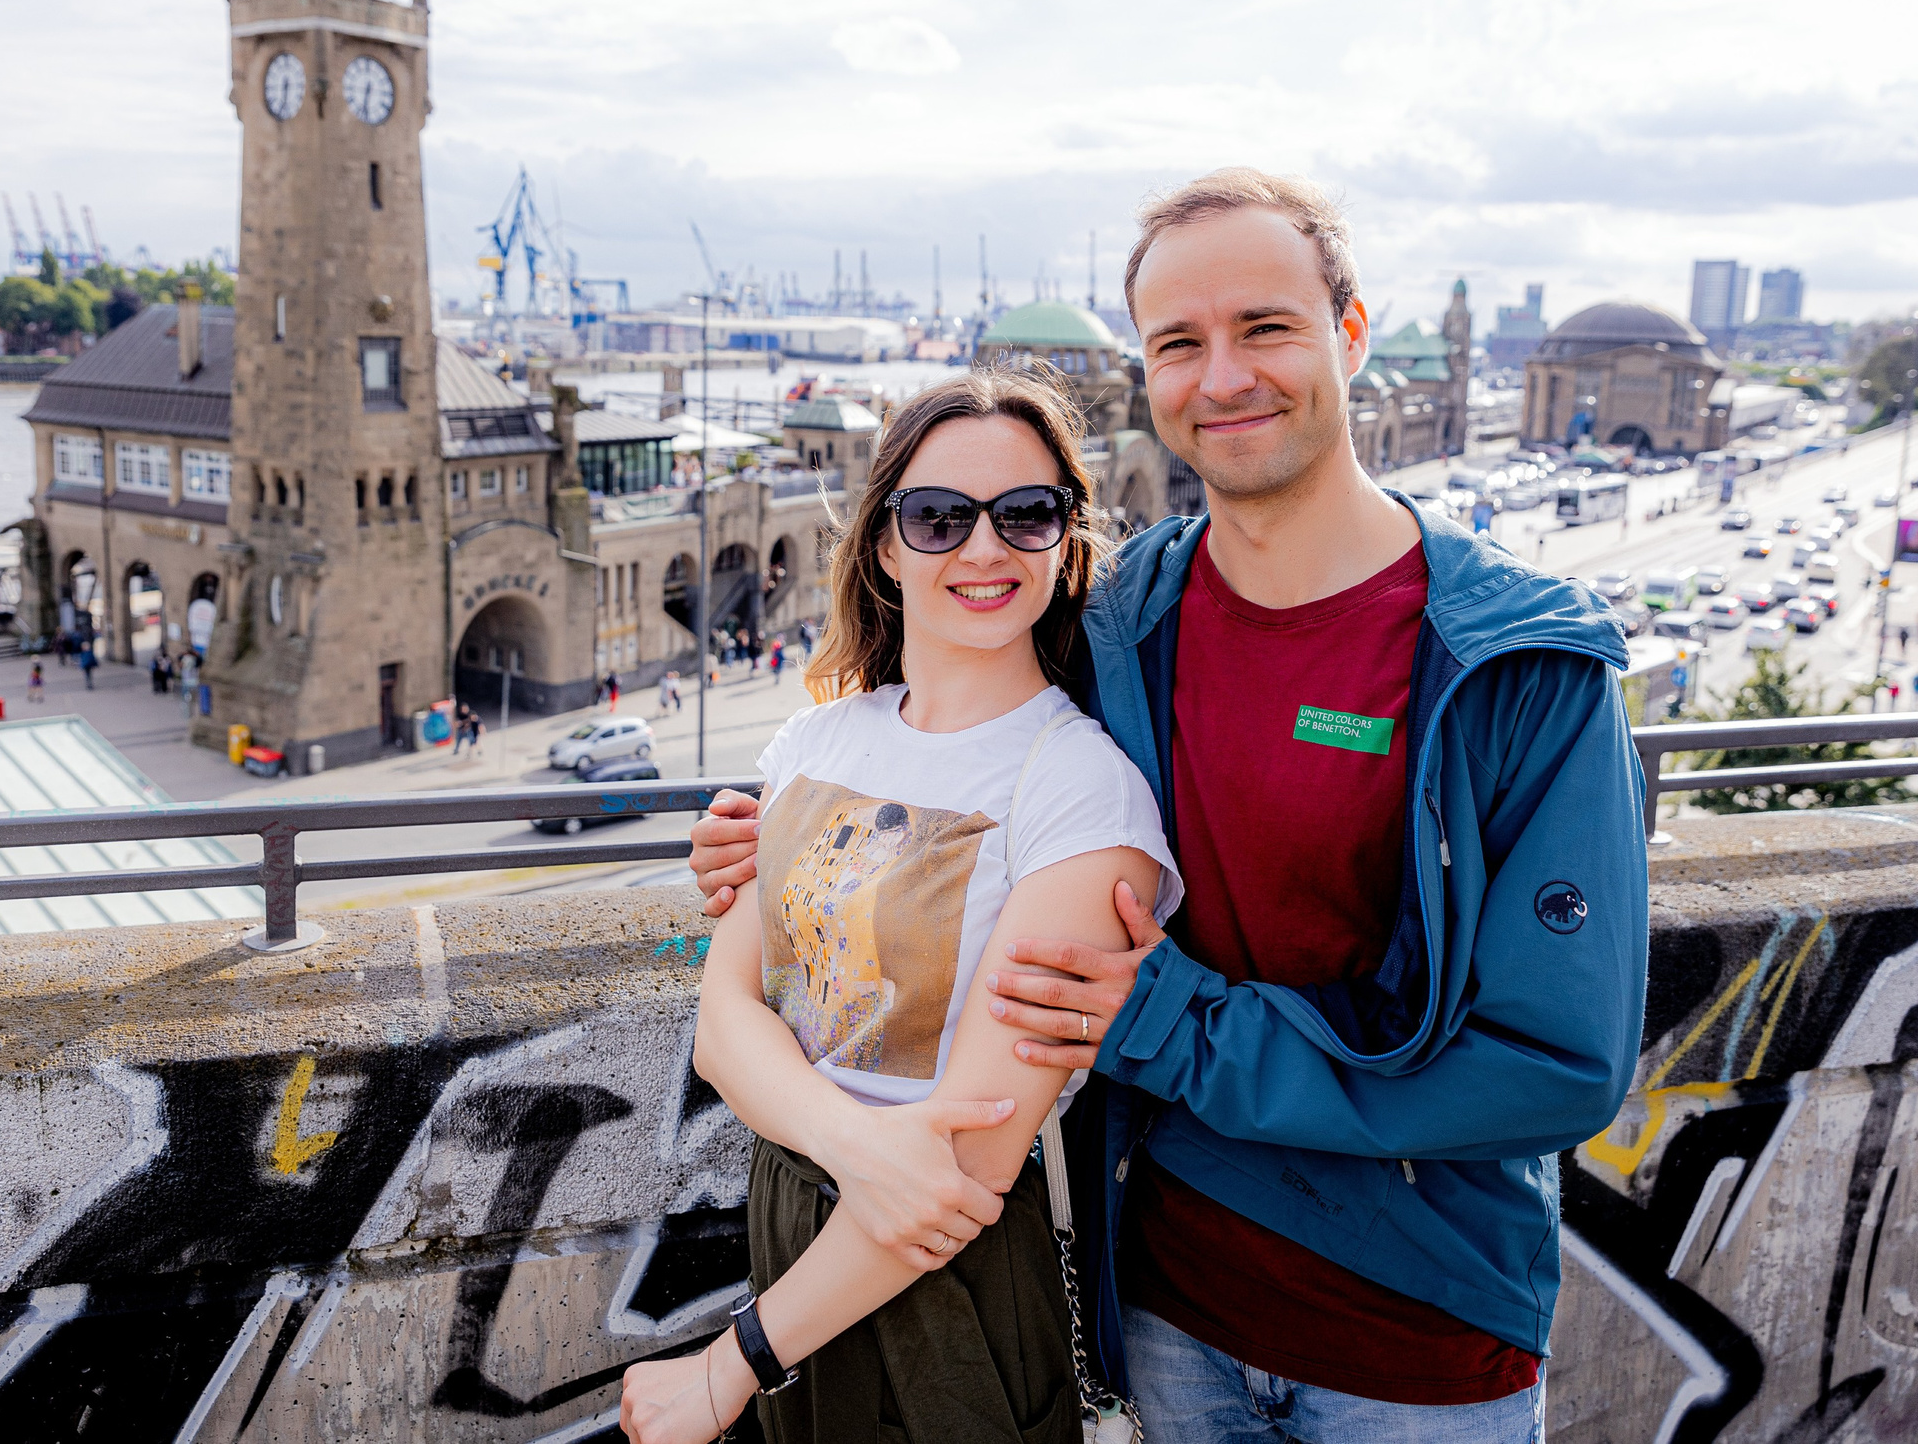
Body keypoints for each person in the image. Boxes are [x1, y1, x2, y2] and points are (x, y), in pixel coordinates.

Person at [691, 168, 1646, 1440]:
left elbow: (1558, 1067)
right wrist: (791, 837)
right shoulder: (1118, 621)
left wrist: (1173, 1025)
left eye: (1265, 329)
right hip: (1163, 1319)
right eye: (1178, 344)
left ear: (1348, 337)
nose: (1224, 376)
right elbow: (955, 749)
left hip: (1412, 1342)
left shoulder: (1515, 666)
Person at [624, 368, 1178, 1444]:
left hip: (954, 1275)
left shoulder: (1080, 787)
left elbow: (970, 1158)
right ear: (884, 543)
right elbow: (723, 1025)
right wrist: (865, 1147)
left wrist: (732, 1363)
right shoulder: (815, 740)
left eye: (1026, 514)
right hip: (800, 1213)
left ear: (1066, 543)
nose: (983, 549)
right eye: (938, 518)